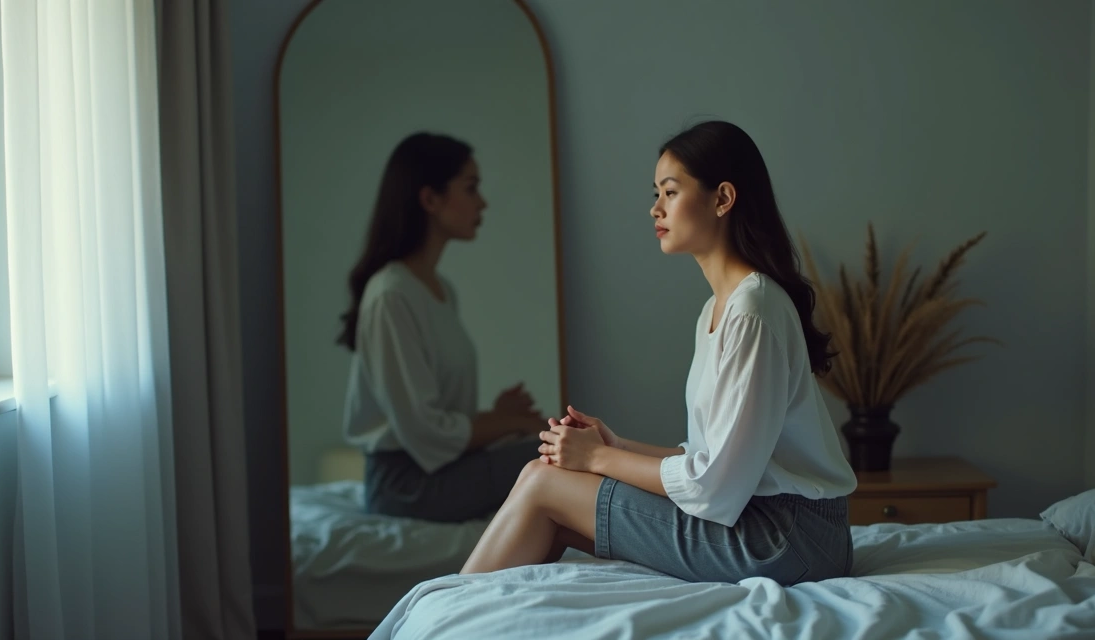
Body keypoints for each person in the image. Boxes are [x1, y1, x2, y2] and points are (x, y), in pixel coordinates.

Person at [459, 121, 858, 584]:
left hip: (786, 539)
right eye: (656, 194)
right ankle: (455, 616)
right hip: (769, 526)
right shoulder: (720, 307)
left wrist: (595, 460)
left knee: (544, 483)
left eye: (670, 192)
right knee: (545, 486)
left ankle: (431, 615)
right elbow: (713, 457)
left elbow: (715, 487)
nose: (655, 209)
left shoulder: (753, 310)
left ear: (722, 199)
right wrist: (614, 445)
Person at [339, 132, 547, 523]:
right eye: (471, 188)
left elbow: (431, 422)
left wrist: (496, 417)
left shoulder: (438, 290)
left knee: (556, 450)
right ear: (430, 199)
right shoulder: (391, 295)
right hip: (405, 486)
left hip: (439, 468)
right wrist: (511, 422)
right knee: (551, 455)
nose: (482, 202)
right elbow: (425, 433)